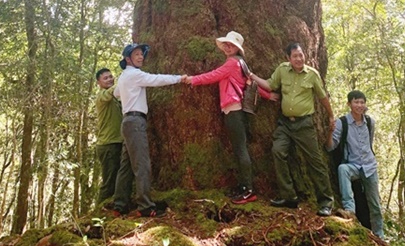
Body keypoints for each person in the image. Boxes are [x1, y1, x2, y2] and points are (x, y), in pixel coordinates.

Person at [187, 30, 275, 204]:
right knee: (238, 148)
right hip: (236, 109)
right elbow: (250, 83)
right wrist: (268, 95)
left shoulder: (232, 63)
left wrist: (192, 80)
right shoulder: (242, 64)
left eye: (232, 45)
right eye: (226, 44)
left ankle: (248, 190)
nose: (228, 47)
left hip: (234, 109)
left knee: (240, 149)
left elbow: (213, 75)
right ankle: (243, 187)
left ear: (238, 48)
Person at [249, 42, 336, 217]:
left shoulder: (312, 75)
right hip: (285, 124)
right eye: (295, 56)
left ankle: (326, 202)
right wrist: (252, 76)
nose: (299, 59)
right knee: (278, 151)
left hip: (304, 124)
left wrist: (331, 115)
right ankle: (289, 196)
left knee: (315, 162)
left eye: (301, 55)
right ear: (288, 58)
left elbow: (322, 96)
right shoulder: (282, 70)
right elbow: (269, 85)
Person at [111, 43, 186, 217]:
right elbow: (156, 79)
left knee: (126, 165)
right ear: (128, 59)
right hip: (135, 122)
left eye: (141, 54)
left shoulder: (124, 77)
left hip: (128, 122)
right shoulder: (134, 74)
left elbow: (116, 93)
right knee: (142, 164)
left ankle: (119, 204)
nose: (141, 57)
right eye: (136, 54)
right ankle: (145, 206)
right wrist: (178, 78)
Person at [331, 90, 385, 239]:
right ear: (349, 104)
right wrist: (329, 132)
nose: (359, 105)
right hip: (353, 165)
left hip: (369, 167)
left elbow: (369, 143)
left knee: (375, 205)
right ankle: (349, 210)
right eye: (356, 102)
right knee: (343, 169)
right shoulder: (342, 123)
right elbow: (330, 146)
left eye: (362, 102)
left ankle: (380, 236)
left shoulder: (369, 122)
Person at [93, 67, 125, 204]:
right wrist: (128, 79)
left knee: (118, 179)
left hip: (117, 142)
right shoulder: (102, 97)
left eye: (111, 77)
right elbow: (111, 92)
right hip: (107, 145)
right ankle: (98, 215)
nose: (110, 79)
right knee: (109, 182)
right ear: (99, 83)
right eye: (105, 78)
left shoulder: (116, 100)